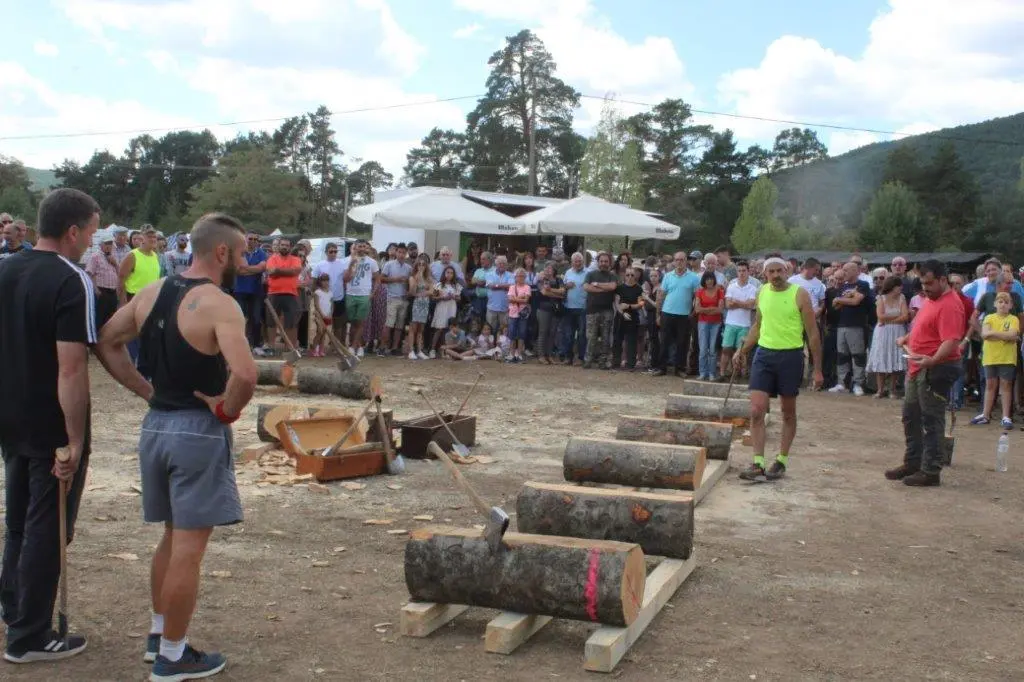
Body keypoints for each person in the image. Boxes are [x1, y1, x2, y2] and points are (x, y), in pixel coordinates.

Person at [95, 212, 257, 679]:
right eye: (242, 252)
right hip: (196, 431)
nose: (245, 261)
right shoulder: (220, 304)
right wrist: (226, 410)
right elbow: (245, 375)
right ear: (221, 252)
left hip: (157, 428)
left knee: (171, 536)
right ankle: (172, 657)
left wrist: (147, 391)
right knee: (188, 547)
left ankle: (159, 634)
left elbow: (107, 340)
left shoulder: (151, 292)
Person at [0, 188, 99, 664]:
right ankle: (30, 635)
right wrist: (75, 438)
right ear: (73, 231)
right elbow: (72, 368)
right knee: (47, 524)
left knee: (18, 518)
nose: (91, 244)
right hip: (48, 419)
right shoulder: (70, 279)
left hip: (10, 412)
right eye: (91, 233)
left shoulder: (5, 268)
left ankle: (13, 607)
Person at [733, 257, 823, 481]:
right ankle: (758, 463)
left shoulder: (800, 294)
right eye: (771, 272)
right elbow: (758, 325)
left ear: (787, 270)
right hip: (764, 355)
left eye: (779, 271)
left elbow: (812, 333)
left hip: (791, 356)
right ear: (765, 274)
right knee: (756, 410)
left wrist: (818, 369)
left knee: (788, 412)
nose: (775, 275)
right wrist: (741, 350)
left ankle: (781, 460)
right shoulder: (762, 291)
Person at [887, 260, 963, 486]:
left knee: (931, 419)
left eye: (929, 283)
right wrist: (908, 339)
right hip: (918, 365)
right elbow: (924, 327)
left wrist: (933, 360)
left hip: (936, 368)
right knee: (911, 416)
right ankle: (913, 462)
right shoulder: (931, 299)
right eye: (922, 283)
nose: (925, 288)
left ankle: (931, 470)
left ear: (942, 279)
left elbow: (951, 341)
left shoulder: (950, 305)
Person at [970, 292, 1020, 429]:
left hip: (1007, 357)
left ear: (1010, 305)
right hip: (990, 356)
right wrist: (1005, 336)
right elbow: (985, 334)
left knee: (1006, 385)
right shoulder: (989, 317)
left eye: (1006, 302)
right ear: (995, 304)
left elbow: (1012, 334)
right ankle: (985, 415)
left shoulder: (1013, 319)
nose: (1003, 304)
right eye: (1000, 302)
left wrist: (994, 333)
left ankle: (1005, 416)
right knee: (990, 385)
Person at [649, 252, 699, 377]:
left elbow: (697, 297)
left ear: (686, 260)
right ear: (674, 261)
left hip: (684, 315)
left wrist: (693, 313)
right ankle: (662, 368)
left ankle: (680, 368)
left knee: (683, 343)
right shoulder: (668, 276)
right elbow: (661, 296)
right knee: (664, 341)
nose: (679, 262)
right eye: (677, 260)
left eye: (682, 260)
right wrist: (658, 314)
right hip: (667, 313)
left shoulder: (694, 277)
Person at [828, 262, 872, 396]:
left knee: (857, 355)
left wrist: (841, 299)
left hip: (856, 325)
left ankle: (858, 383)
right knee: (842, 355)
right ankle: (842, 383)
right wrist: (845, 298)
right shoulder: (843, 286)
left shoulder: (863, 285)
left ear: (855, 271)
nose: (843, 272)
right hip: (842, 325)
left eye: (846, 270)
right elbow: (835, 306)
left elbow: (856, 301)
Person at [865, 276, 909, 399]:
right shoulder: (881, 298)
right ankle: (880, 389)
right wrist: (897, 316)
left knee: (895, 358)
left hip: (896, 331)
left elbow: (905, 316)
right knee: (881, 357)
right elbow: (880, 316)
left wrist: (889, 319)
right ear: (892, 287)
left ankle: (892, 390)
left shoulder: (902, 298)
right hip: (882, 332)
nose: (901, 288)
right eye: (898, 286)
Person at [341, 239, 379, 357]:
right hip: (351, 294)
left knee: (361, 322)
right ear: (355, 247)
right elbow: (345, 279)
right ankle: (356, 344)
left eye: (363, 246)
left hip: (364, 295)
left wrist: (372, 293)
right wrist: (351, 264)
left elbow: (377, 279)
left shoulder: (372, 262)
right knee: (353, 322)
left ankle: (355, 346)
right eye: (359, 246)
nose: (361, 248)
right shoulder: (347, 260)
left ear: (366, 248)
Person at [721, 260, 758, 378]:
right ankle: (722, 372)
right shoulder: (731, 286)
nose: (741, 273)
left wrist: (736, 301)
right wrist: (743, 303)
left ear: (748, 272)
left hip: (744, 324)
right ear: (737, 272)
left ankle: (739, 373)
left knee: (741, 351)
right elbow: (728, 305)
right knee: (726, 348)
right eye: (739, 271)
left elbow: (751, 305)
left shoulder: (752, 288)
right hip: (730, 323)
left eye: (744, 271)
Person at [265, 238, 303, 353]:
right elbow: (270, 272)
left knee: (291, 322)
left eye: (287, 245)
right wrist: (287, 271)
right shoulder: (272, 259)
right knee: (271, 321)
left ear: (290, 247)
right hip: (273, 293)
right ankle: (271, 347)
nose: (284, 247)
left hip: (291, 293)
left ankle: (290, 348)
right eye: (282, 245)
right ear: (279, 246)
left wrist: (278, 271)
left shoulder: (296, 259)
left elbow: (295, 271)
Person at [234, 232, 269, 353]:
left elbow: (262, 268)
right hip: (239, 290)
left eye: (255, 239)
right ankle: (239, 345)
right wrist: (255, 269)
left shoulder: (261, 253)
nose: (253, 241)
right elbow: (237, 270)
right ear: (245, 238)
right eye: (250, 238)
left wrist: (246, 268)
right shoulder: (238, 252)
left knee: (256, 318)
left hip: (256, 291)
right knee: (240, 319)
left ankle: (256, 345)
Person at [583, 253, 618, 369]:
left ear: (609, 263)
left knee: (606, 337)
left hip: (607, 310)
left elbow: (612, 287)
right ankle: (588, 361)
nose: (603, 263)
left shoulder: (612, 275)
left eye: (606, 261)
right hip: (592, 310)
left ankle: (602, 362)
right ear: (598, 262)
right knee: (590, 337)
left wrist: (597, 285)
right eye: (601, 261)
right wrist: (604, 289)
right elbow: (586, 287)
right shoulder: (590, 274)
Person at [86, 232, 121, 329]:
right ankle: (95, 340)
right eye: (106, 243)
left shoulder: (114, 256)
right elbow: (89, 273)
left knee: (111, 319)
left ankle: (107, 341)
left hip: (113, 292)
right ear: (101, 244)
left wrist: (115, 263)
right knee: (99, 318)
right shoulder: (95, 256)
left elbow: (120, 273)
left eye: (110, 243)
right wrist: (96, 290)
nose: (109, 246)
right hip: (102, 291)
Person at [694, 271, 725, 381]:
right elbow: (697, 309)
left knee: (712, 349)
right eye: (707, 279)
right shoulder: (699, 292)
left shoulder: (720, 291)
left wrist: (705, 310)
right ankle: (702, 372)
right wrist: (712, 309)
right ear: (704, 280)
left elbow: (720, 309)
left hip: (716, 323)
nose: (709, 281)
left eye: (711, 278)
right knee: (702, 349)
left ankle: (712, 373)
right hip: (702, 323)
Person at [612, 267, 643, 370]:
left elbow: (640, 304)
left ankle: (630, 364)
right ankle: (616, 362)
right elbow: (617, 303)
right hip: (620, 317)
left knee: (632, 341)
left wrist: (629, 306)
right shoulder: (619, 288)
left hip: (633, 317)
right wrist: (622, 313)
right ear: (624, 276)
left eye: (632, 275)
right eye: (628, 275)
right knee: (617, 340)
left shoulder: (639, 289)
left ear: (635, 276)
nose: (630, 277)